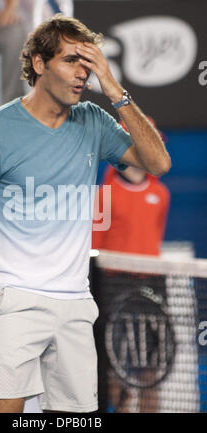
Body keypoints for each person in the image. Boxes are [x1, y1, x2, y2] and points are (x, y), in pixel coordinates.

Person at [0, 14, 171, 413]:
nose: (82, 74)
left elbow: (157, 163)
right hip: (10, 300)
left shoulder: (95, 121)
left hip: (74, 306)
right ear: (38, 63)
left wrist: (114, 88)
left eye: (88, 65)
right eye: (71, 61)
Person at [91, 119, 171, 412]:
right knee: (114, 367)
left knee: (152, 372)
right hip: (113, 286)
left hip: (153, 287)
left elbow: (153, 237)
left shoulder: (161, 194)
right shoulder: (102, 195)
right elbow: (92, 248)